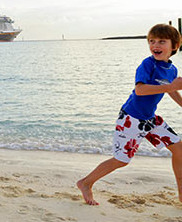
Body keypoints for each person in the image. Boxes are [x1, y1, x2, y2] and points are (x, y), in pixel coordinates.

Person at [77, 23, 182, 205]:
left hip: (151, 119)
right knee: (121, 160)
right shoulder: (147, 64)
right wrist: (172, 86)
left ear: (174, 46)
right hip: (131, 118)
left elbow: (170, 90)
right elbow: (140, 90)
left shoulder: (172, 70)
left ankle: (181, 194)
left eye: (161, 41)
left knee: (179, 149)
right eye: (152, 41)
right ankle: (85, 183)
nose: (155, 45)